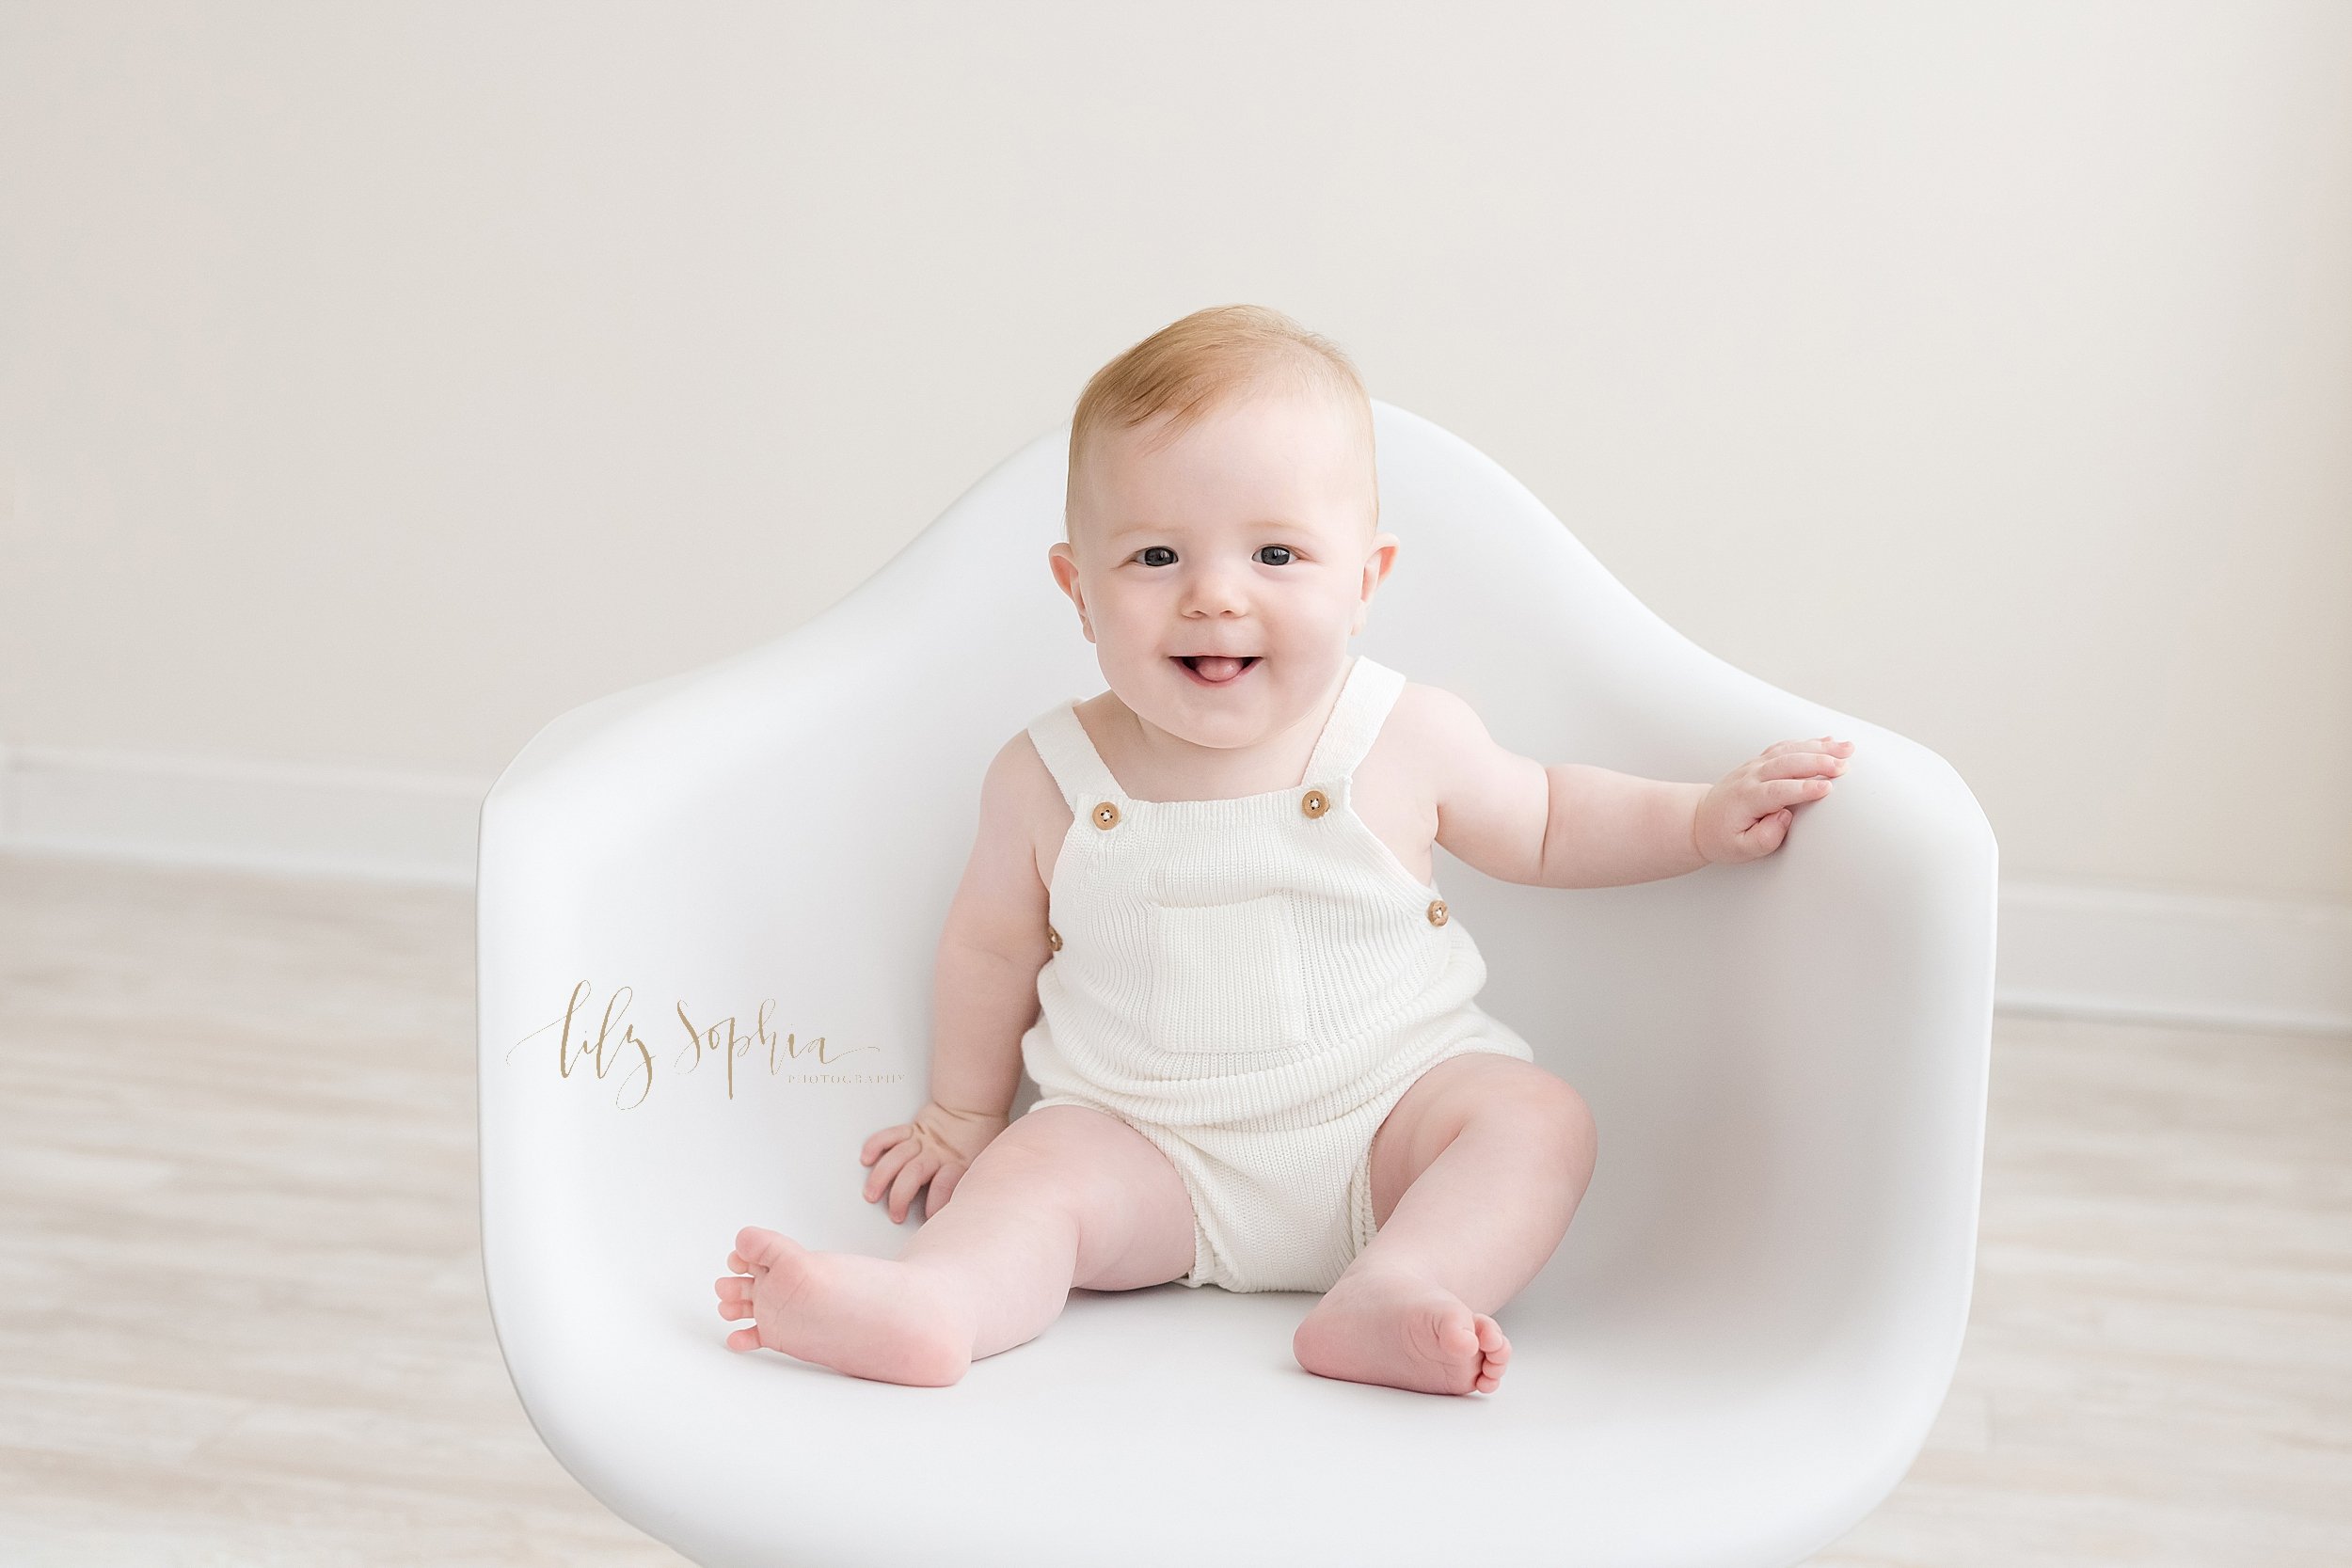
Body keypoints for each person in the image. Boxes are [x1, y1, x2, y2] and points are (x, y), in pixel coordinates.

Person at [714, 304, 1852, 1395]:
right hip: (1145, 1148)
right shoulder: (1047, 774)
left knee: (1535, 1118)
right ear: (1078, 589)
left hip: (1388, 1123)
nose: (1214, 597)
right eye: (1155, 556)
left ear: (1364, 582)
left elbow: (1549, 816)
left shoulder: (1401, 734)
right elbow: (987, 950)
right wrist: (964, 1114)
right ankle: (938, 1306)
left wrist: (1700, 818)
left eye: (1274, 553)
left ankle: (1402, 1284)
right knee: (1031, 1175)